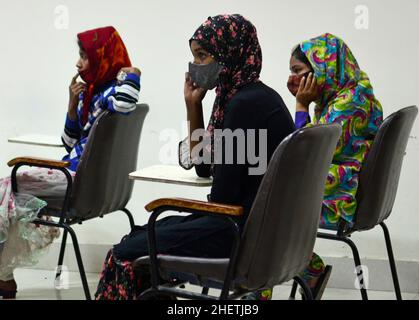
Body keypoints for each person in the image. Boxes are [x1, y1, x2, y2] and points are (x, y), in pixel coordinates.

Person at [94, 14, 295, 300]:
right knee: (141, 234)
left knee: (126, 251)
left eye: (202, 56)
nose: (195, 66)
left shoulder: (244, 105)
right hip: (255, 229)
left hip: (239, 232)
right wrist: (193, 106)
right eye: (194, 57)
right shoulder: (248, 97)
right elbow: (203, 166)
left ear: (229, 53)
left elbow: (223, 197)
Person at [0, 26, 141, 299]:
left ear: (103, 57)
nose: (78, 63)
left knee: (8, 187)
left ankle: (3, 276)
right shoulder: (96, 93)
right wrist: (72, 101)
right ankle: (3, 274)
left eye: (85, 56)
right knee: (9, 193)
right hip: (97, 188)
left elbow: (126, 104)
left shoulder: (112, 94)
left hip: (77, 184)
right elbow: (68, 141)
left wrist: (133, 75)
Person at [243, 33, 384, 300]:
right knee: (267, 205)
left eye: (298, 71)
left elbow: (304, 155)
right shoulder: (343, 96)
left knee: (265, 209)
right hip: (336, 185)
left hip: (340, 195)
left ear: (323, 68)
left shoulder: (351, 103)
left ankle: (268, 288)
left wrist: (300, 105)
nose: (291, 80)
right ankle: (305, 270)